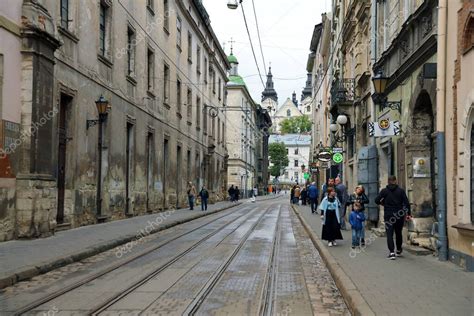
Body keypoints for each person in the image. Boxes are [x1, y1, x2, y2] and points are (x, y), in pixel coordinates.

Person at [375, 175, 411, 260]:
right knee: (398, 233)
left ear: (388, 181)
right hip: (399, 214)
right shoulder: (401, 191)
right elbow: (406, 203)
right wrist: (408, 214)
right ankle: (398, 250)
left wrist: (383, 203)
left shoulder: (384, 191)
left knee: (389, 234)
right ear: (395, 181)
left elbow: (376, 200)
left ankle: (391, 253)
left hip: (388, 215)